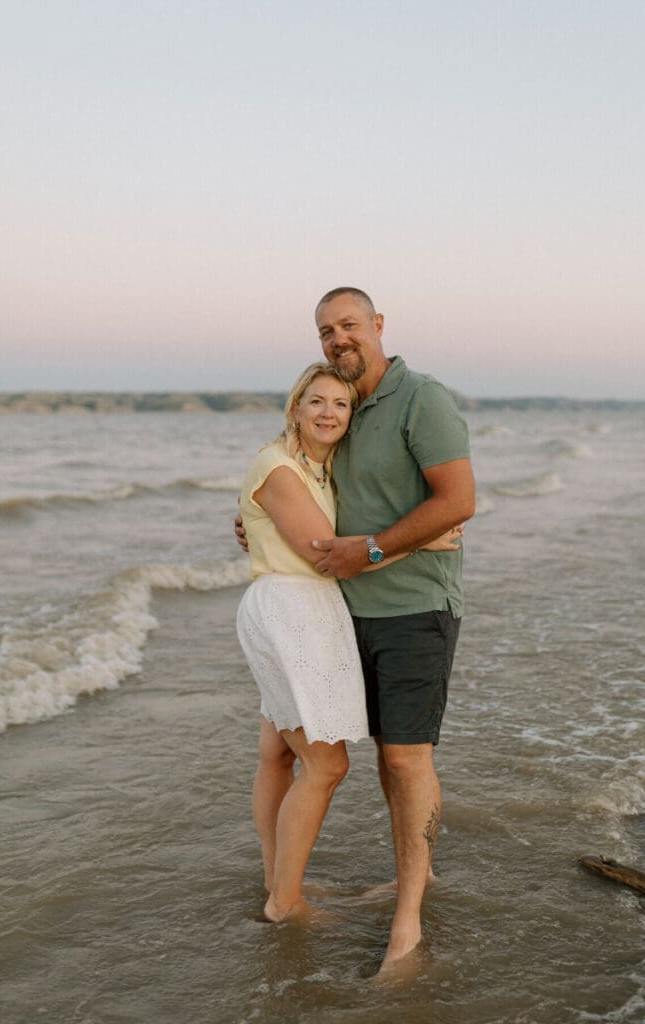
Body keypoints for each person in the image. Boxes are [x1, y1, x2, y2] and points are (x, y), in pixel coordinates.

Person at [237, 289, 475, 972]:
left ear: (377, 325)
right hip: (338, 612)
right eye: (324, 331)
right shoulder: (338, 412)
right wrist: (255, 525)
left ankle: (407, 920)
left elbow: (457, 501)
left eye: (348, 325)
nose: (337, 338)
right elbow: (304, 511)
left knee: (404, 758)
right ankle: (376, 879)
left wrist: (380, 551)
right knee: (340, 756)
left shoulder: (420, 398)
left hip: (411, 610)